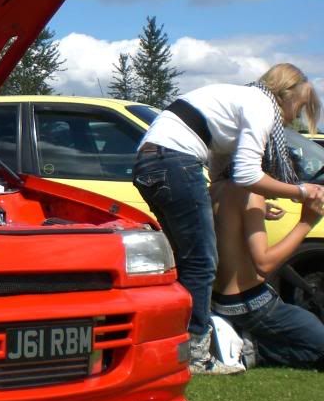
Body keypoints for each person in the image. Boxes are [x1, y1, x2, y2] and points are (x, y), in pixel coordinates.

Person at [133, 63, 324, 374]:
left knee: (187, 260)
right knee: (200, 262)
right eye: (298, 108)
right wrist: (301, 199)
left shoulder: (222, 181)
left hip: (152, 160)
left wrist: (258, 205)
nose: (292, 118)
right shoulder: (260, 107)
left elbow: (234, 173)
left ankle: (196, 338)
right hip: (173, 159)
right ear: (285, 95)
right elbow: (249, 175)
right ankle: (197, 351)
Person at [210, 175, 324, 370]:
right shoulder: (249, 193)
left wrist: (256, 212)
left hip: (223, 300)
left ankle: (243, 339)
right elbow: (264, 263)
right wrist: (307, 221)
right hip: (252, 305)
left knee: (309, 326)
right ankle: (251, 350)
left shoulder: (214, 189)